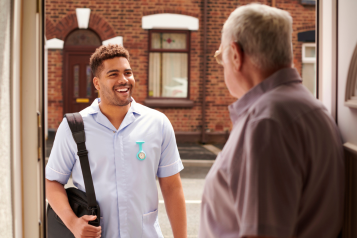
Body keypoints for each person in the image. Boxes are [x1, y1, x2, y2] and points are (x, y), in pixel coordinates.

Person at [199, 3, 344, 238]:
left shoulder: (266, 123)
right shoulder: (306, 106)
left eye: (221, 56)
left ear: (236, 55)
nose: (222, 65)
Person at [46, 44, 187, 238]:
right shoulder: (73, 126)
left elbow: (172, 187)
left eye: (127, 72)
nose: (124, 80)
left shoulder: (157, 123)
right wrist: (73, 223)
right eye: (113, 74)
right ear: (97, 83)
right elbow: (52, 181)